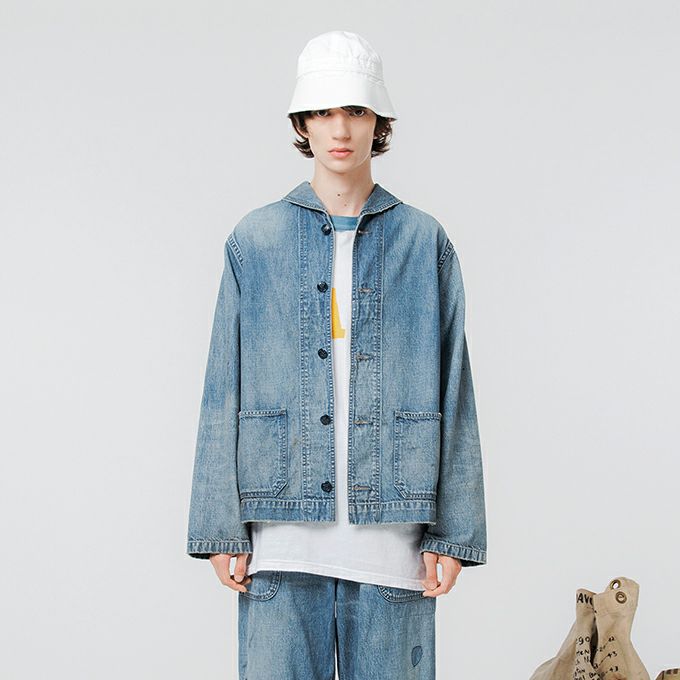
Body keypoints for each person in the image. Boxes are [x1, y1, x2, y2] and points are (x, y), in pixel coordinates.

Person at [186, 29, 487, 679]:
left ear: (379, 121)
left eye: (355, 110)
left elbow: (455, 391)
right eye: (323, 112)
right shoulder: (256, 240)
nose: (340, 129)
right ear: (302, 124)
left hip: (395, 548)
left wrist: (455, 533)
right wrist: (218, 526)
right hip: (279, 542)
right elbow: (221, 387)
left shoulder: (423, 242)